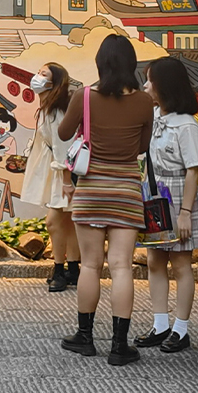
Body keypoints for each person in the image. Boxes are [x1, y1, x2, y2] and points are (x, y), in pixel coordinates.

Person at [58, 35, 154, 366]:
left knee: (89, 264)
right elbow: (142, 146)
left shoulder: (84, 96)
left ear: (101, 63)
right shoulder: (144, 101)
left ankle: (85, 338)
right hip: (126, 191)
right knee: (121, 266)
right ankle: (119, 346)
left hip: (91, 191)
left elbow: (63, 133)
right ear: (131, 64)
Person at [135, 57, 198, 353]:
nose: (146, 86)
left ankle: (181, 329)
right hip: (156, 195)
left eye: (150, 80)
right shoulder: (154, 116)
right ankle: (160, 325)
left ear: (164, 86)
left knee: (181, 264)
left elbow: (193, 171)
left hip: (180, 196)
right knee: (155, 261)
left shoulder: (187, 126)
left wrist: (185, 213)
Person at [20, 63, 79, 293]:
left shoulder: (55, 112)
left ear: (53, 84)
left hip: (64, 176)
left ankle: (59, 270)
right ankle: (72, 270)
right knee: (68, 223)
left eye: (43, 74)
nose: (37, 77)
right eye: (38, 72)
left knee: (53, 222)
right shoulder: (48, 109)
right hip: (62, 174)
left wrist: (66, 181)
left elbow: (63, 149)